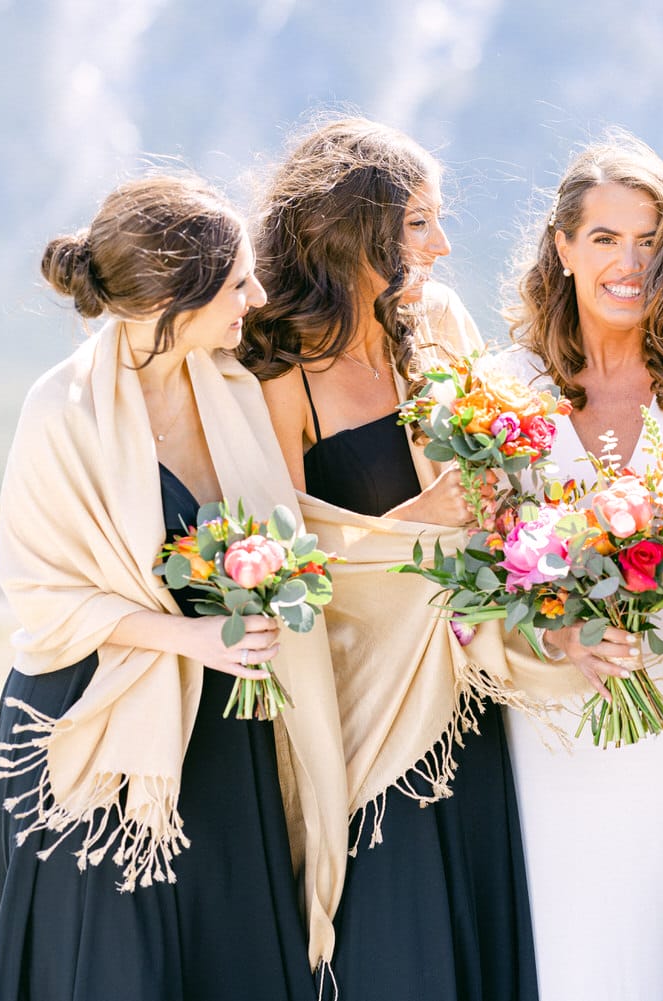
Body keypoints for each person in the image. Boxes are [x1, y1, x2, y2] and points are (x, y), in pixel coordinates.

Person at [0, 174, 348, 1001]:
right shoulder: (62, 410)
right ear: (172, 299)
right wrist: (188, 638)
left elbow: (285, 526)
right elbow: (41, 594)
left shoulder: (234, 388)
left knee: (230, 956)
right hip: (92, 720)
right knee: (109, 966)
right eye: (237, 281)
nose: (255, 296)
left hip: (223, 725)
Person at [239, 116, 537, 1001]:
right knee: (393, 934)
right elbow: (285, 556)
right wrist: (421, 518)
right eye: (417, 224)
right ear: (347, 229)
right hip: (363, 699)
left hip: (468, 684)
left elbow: (500, 469)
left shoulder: (436, 319)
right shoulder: (276, 365)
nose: (443, 246)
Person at [494, 131, 663, 1001]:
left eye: (650, 241)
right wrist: (562, 632)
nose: (628, 262)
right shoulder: (505, 389)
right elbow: (484, 557)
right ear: (563, 248)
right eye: (605, 238)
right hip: (556, 707)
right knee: (567, 918)